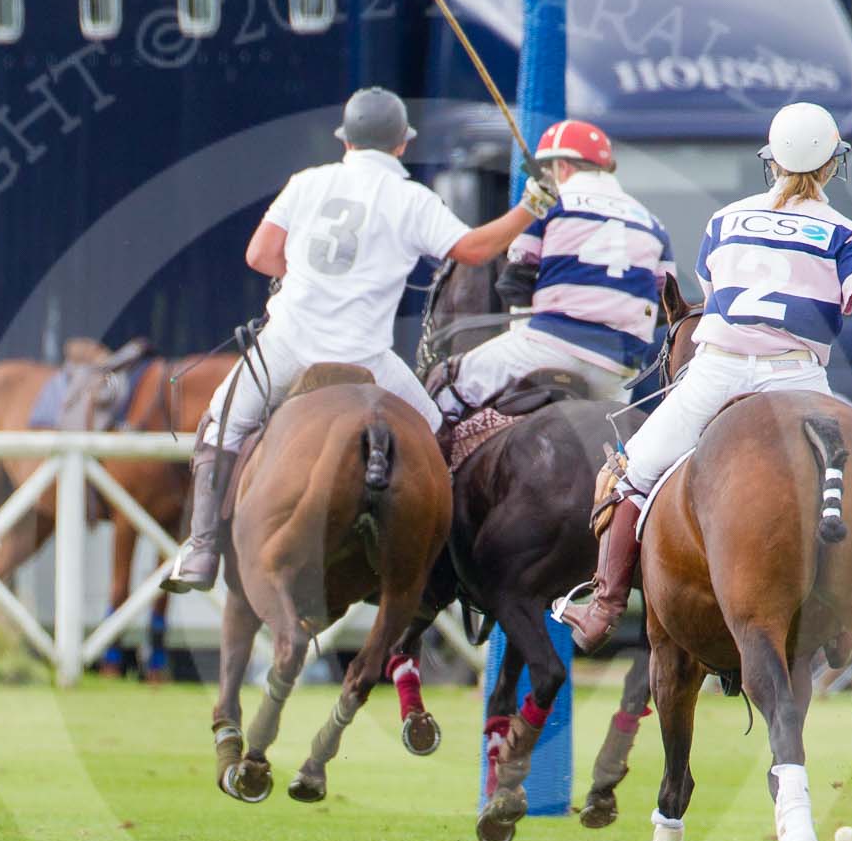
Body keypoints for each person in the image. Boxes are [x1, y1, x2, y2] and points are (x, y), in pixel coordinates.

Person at [162, 87, 557, 594]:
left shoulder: (306, 183)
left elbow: (260, 254)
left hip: (287, 343)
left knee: (221, 424)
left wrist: (301, 278)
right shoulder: (412, 198)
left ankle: (199, 550)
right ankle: (446, 560)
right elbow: (473, 250)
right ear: (400, 146)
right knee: (438, 433)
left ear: (346, 142)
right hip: (366, 358)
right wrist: (530, 206)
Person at [555, 102, 852, 652]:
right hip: (797, 378)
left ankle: (604, 605)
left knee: (630, 475)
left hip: (717, 369)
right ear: (834, 165)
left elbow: (714, 302)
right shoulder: (845, 232)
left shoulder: (726, 220)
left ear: (772, 161)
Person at [432, 118, 674, 418]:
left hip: (551, 346)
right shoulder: (654, 224)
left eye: (546, 170)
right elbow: (665, 306)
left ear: (563, 168)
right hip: (620, 369)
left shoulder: (549, 204)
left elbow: (516, 282)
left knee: (451, 380)